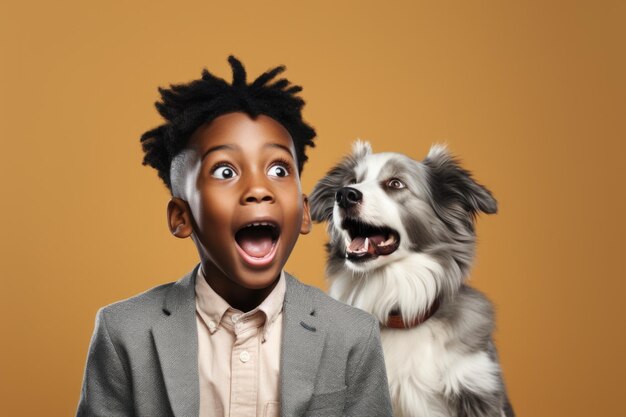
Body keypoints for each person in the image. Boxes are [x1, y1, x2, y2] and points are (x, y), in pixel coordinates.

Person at [76, 56, 393, 417]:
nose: (258, 189)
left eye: (278, 169)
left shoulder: (353, 335)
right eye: (225, 171)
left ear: (305, 212)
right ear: (182, 218)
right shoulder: (123, 332)